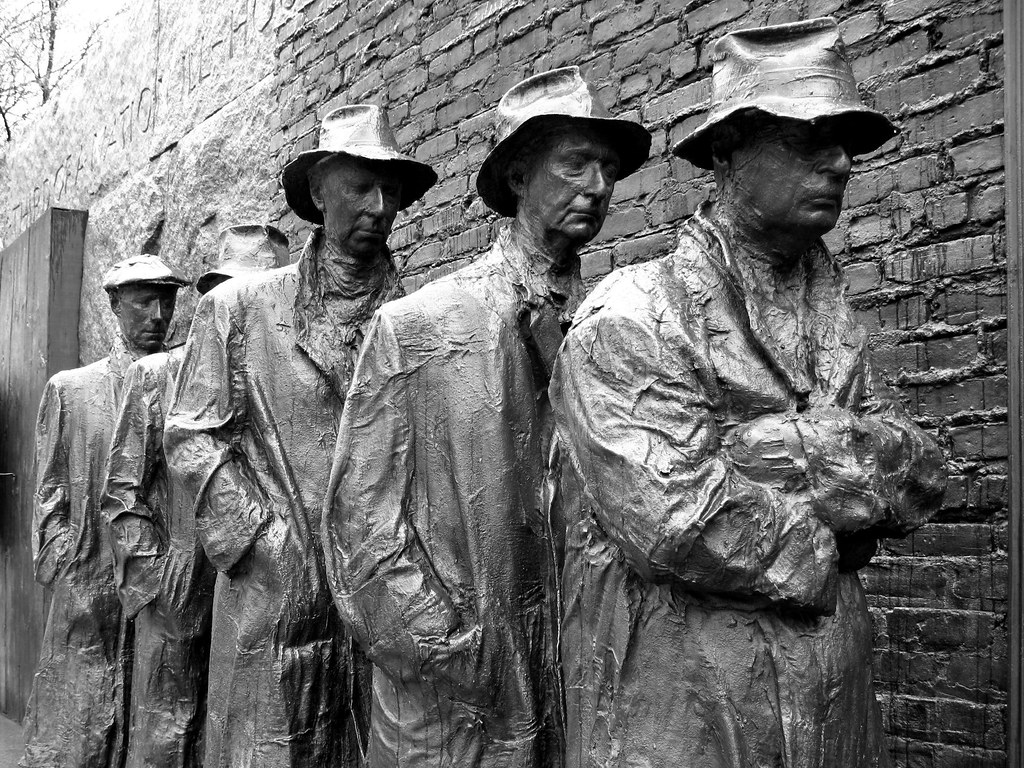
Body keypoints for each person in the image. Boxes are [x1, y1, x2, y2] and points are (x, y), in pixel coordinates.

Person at [549, 18, 948, 768]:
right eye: (807, 136)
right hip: (687, 715)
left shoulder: (836, 317)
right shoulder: (633, 314)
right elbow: (678, 523)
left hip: (833, 709)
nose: (837, 163)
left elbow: (922, 472)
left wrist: (765, 449)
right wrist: (840, 525)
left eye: (845, 143)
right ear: (729, 152)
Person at [322, 67, 651, 768]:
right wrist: (455, 653)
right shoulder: (418, 326)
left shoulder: (619, 328)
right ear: (518, 177)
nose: (596, 186)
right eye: (574, 163)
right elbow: (360, 523)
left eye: (608, 168)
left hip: (577, 679)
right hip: (453, 704)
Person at [165, 106, 436, 768]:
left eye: (391, 191)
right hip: (274, 602)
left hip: (385, 607)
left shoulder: (417, 321)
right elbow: (190, 439)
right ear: (318, 192)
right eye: (359, 186)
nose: (378, 205)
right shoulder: (240, 309)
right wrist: (267, 542)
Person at [102, 225, 289, 768]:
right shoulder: (157, 376)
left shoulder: (282, 381)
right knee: (166, 732)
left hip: (252, 594)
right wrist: (157, 579)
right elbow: (121, 493)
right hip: (177, 596)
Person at [22, 255, 188, 768]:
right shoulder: (71, 389)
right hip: (87, 583)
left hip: (158, 585)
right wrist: (63, 563)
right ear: (115, 306)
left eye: (166, 301)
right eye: (143, 301)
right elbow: (49, 490)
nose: (157, 315)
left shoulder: (185, 383)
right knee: (77, 730)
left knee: (154, 725)